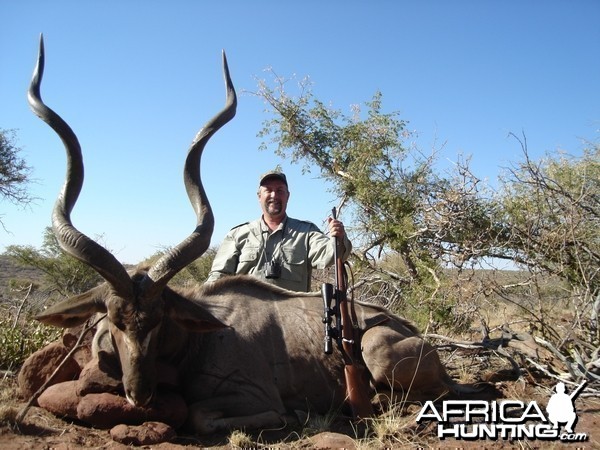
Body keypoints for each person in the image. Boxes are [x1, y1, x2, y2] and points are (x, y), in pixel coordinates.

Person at [206, 170, 351, 292]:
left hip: (293, 320)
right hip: (246, 319)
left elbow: (331, 255)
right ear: (259, 196)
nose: (274, 195)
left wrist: (338, 237)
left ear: (288, 196)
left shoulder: (306, 232)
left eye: (280, 190)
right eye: (268, 190)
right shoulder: (238, 234)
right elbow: (218, 277)